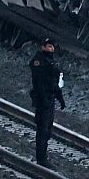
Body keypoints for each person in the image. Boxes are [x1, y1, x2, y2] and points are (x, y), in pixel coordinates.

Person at [30, 37, 66, 167]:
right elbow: (39, 82)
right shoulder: (39, 61)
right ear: (43, 47)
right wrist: (44, 99)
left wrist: (60, 99)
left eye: (52, 46)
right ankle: (41, 159)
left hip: (50, 99)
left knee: (47, 130)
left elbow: (54, 83)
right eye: (49, 46)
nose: (51, 49)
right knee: (42, 130)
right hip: (42, 100)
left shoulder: (51, 61)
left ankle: (43, 157)